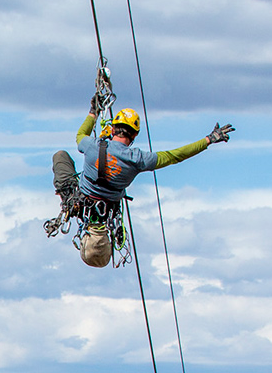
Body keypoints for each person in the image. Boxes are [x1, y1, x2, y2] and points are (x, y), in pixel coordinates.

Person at [50, 97, 233, 267]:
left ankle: (66, 198)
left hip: (81, 200)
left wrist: (93, 113)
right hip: (106, 207)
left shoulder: (92, 146)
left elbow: (80, 135)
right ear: (134, 136)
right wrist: (208, 140)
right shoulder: (138, 159)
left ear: (113, 129)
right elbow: (176, 155)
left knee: (60, 156)